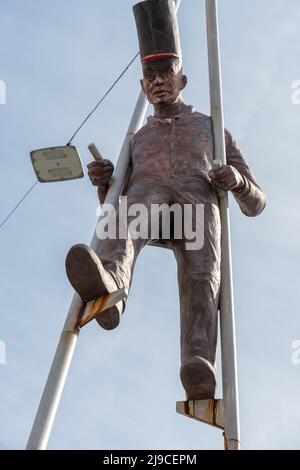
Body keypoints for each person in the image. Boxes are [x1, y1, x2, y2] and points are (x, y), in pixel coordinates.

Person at [66, 0, 266, 400]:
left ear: (183, 79)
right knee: (125, 214)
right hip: (149, 202)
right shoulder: (137, 139)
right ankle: (109, 288)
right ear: (143, 86)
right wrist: (105, 182)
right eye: (149, 75)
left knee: (201, 276)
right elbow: (113, 204)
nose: (158, 81)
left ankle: (197, 362)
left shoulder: (211, 127)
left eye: (166, 73)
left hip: (197, 206)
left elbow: (257, 201)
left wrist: (238, 181)